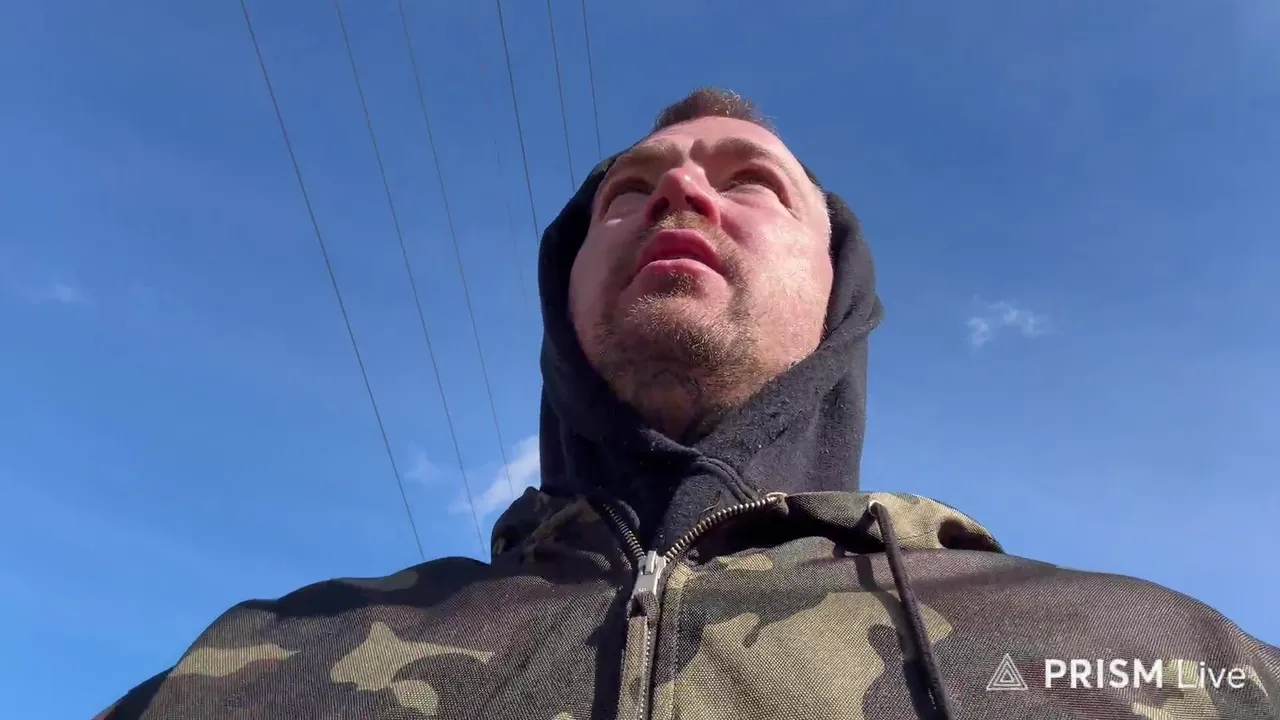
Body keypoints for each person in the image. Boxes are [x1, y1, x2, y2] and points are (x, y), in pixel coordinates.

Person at [99, 88, 1277, 720]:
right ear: (564, 280)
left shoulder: (1167, 657)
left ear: (838, 289)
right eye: (630, 190)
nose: (680, 196)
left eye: (748, 181)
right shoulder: (253, 665)